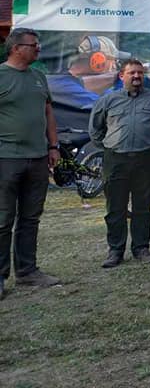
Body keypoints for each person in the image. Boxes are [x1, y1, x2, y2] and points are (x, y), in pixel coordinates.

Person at [90, 59, 150, 268]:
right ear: (121, 76)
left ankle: (141, 248)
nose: (136, 76)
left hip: (146, 159)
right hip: (116, 159)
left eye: (140, 73)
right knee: (115, 208)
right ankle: (115, 251)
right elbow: (95, 129)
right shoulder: (107, 101)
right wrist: (111, 146)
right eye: (132, 73)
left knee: (143, 207)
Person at [0, 28, 61, 296]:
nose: (38, 49)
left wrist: (53, 145)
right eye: (34, 45)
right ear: (15, 48)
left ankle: (27, 272)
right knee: (2, 220)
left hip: (38, 158)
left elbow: (48, 111)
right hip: (6, 158)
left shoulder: (38, 76)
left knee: (30, 218)